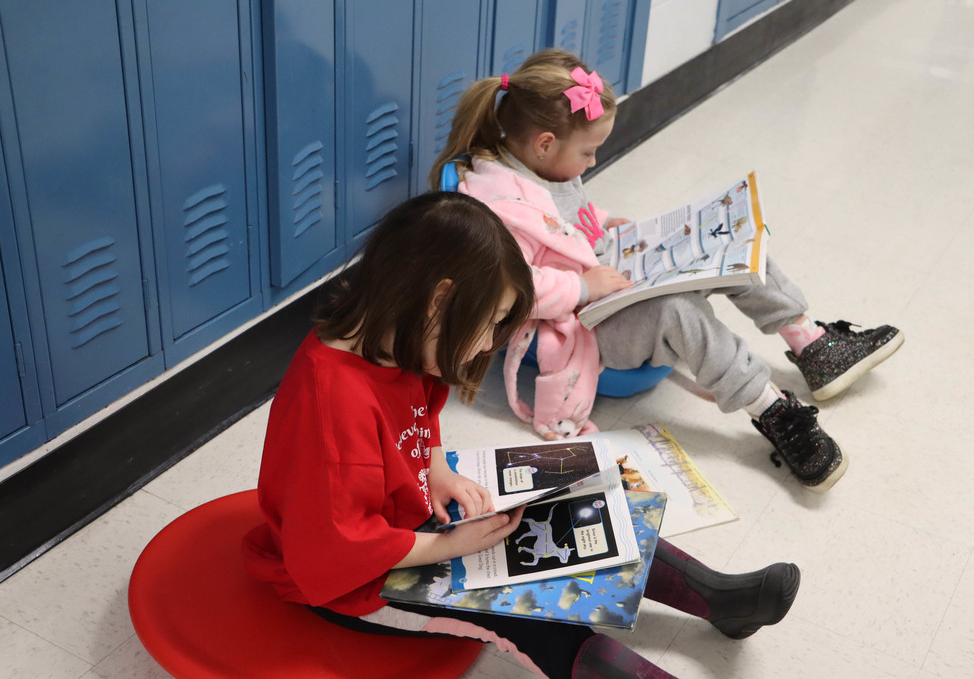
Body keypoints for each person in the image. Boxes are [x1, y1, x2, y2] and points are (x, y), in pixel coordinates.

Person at [242, 191, 801, 679]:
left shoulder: (397, 334)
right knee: (528, 619)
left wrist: (436, 468)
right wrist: (447, 547)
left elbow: (419, 412)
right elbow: (332, 552)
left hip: (411, 518)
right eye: (488, 325)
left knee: (590, 510)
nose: (488, 344)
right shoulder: (331, 401)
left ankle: (720, 598)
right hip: (357, 581)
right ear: (439, 301)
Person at [430, 49, 904, 493]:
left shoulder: (544, 165)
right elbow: (508, 293)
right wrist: (580, 285)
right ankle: (772, 409)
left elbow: (567, 214)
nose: (592, 163)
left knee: (729, 237)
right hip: (572, 323)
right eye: (588, 153)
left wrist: (605, 224)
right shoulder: (495, 206)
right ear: (545, 144)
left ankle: (811, 341)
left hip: (604, 281)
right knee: (679, 310)